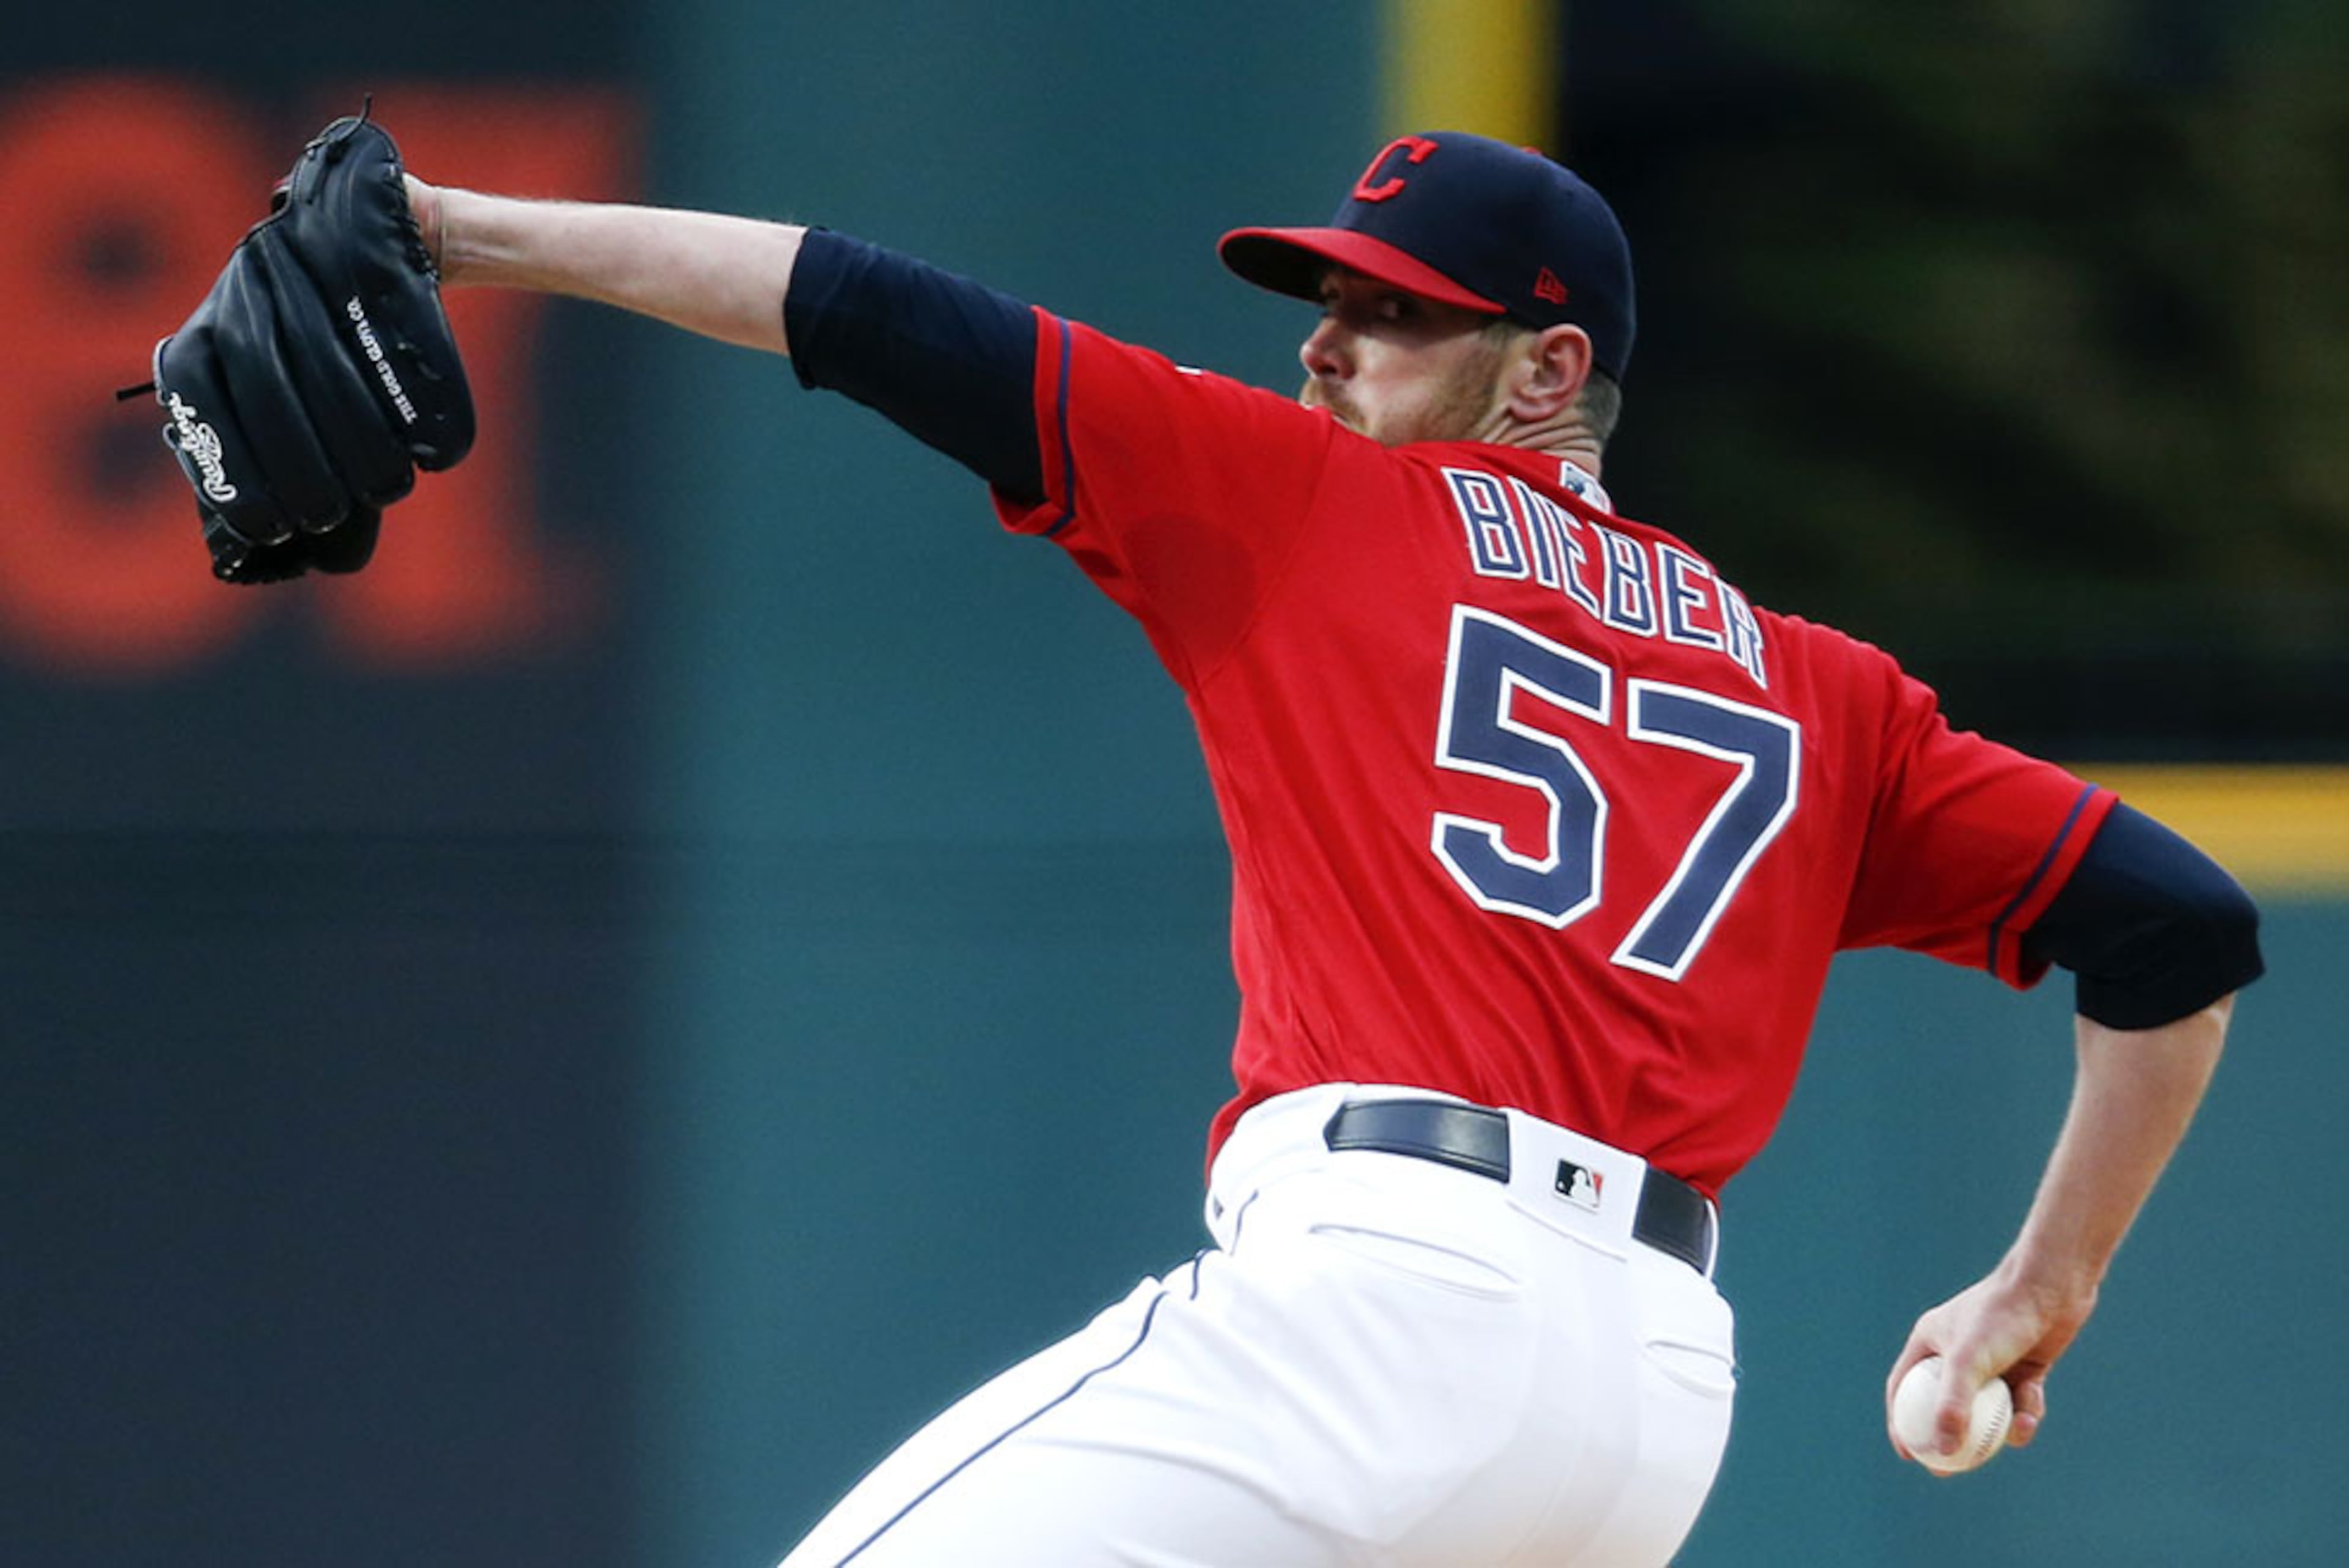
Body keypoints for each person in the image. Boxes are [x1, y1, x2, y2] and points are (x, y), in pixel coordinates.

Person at [401, 131, 2261, 1565]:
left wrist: (461, 229)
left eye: (1392, 314)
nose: (1326, 344)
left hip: (1386, 1296)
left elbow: (866, 312)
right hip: (1647, 1409)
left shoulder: (1317, 510)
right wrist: (2044, 1283)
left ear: (1545, 372)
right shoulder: (1825, 695)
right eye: (1334, 300)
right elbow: (2176, 931)